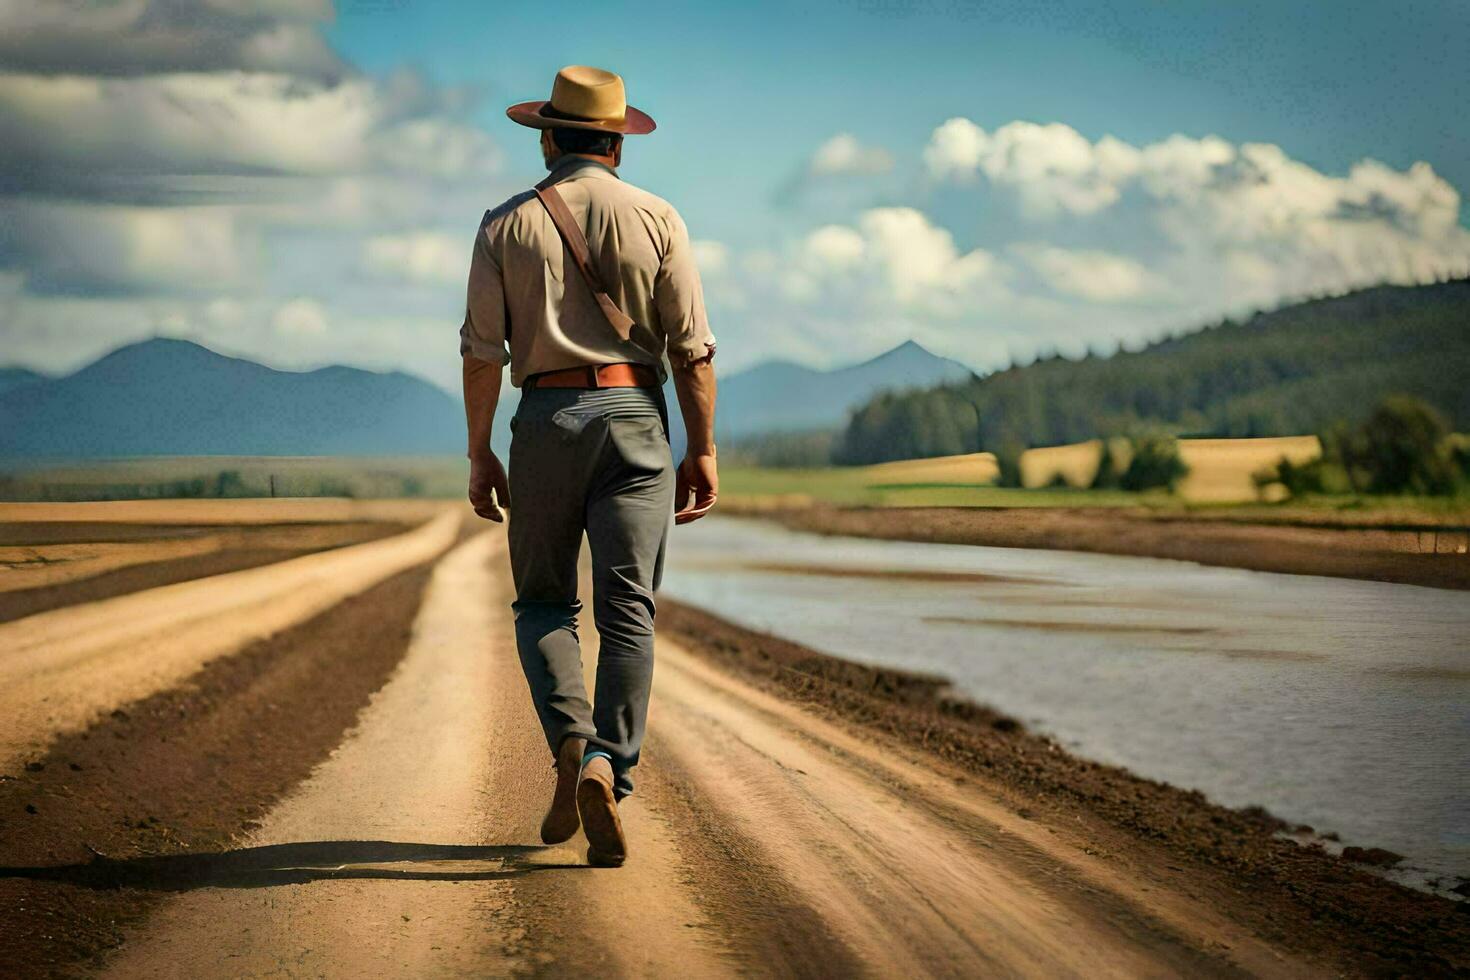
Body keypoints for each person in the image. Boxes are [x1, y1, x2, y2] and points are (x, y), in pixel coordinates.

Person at [459, 65, 718, 867]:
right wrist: (701, 446)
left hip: (542, 418)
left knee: (543, 604)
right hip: (637, 420)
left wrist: (480, 450)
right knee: (628, 610)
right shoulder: (658, 217)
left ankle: (571, 741)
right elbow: (693, 352)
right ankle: (609, 762)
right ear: (616, 143)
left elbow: (479, 353)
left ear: (547, 138)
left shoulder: (504, 225)